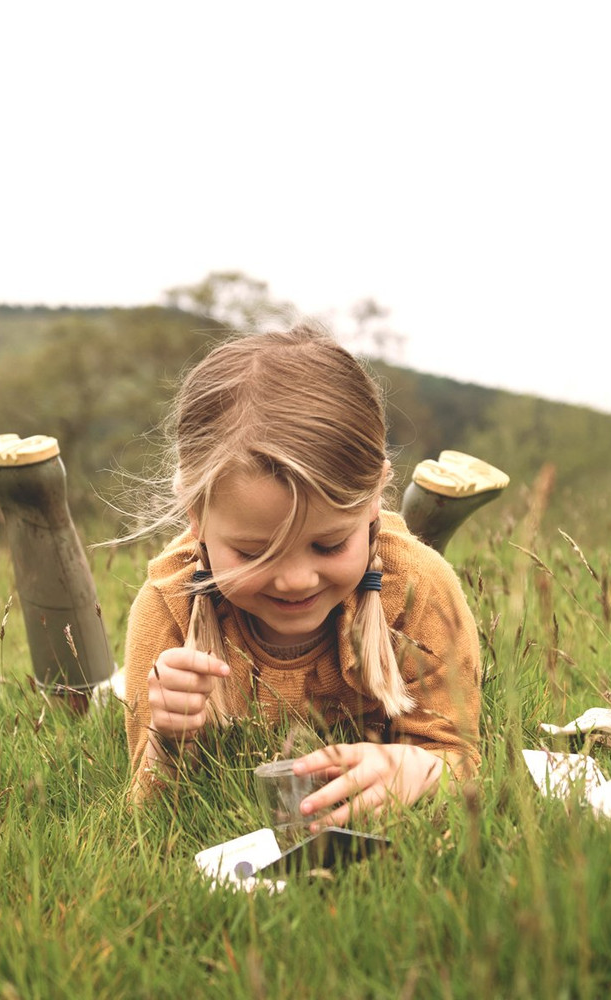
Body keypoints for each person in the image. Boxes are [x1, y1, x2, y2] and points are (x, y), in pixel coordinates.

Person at [122, 323, 484, 829]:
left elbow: (462, 756)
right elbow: (147, 813)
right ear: (196, 514)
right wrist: (169, 735)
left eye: (329, 544)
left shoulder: (421, 588)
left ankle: (428, 513)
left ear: (376, 493)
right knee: (87, 690)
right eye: (256, 551)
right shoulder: (170, 605)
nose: (295, 581)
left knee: (396, 566)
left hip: (383, 583)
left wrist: (420, 768)